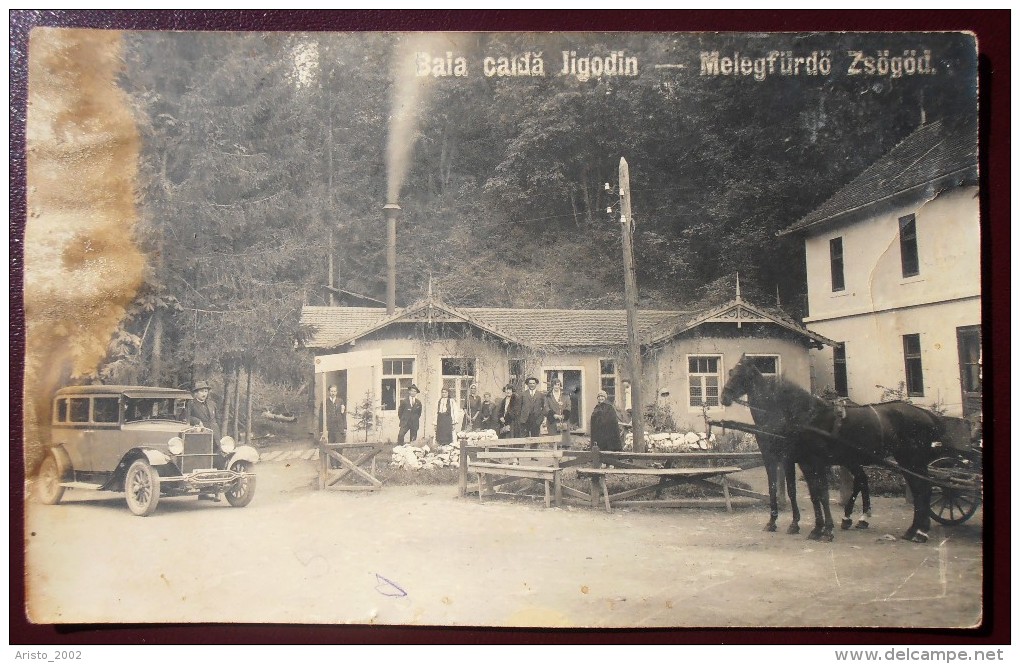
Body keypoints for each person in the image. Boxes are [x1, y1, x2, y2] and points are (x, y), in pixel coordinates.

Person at [186, 380, 222, 501]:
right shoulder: (190, 404)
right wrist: (196, 421)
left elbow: (217, 419)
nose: (204, 394)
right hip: (200, 437)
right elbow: (185, 418)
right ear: (195, 393)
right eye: (201, 391)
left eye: (206, 391)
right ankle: (203, 491)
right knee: (203, 462)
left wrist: (219, 433)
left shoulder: (212, 404)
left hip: (215, 436)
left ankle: (215, 490)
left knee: (217, 461)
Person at [317, 384, 347, 468]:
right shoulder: (324, 402)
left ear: (336, 392)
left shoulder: (340, 401)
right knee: (331, 446)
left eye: (334, 391)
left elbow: (343, 414)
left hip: (339, 427)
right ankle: (333, 464)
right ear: (329, 392)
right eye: (331, 391)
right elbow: (321, 416)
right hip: (329, 428)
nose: (333, 393)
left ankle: (339, 464)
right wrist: (321, 429)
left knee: (339, 446)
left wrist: (345, 427)